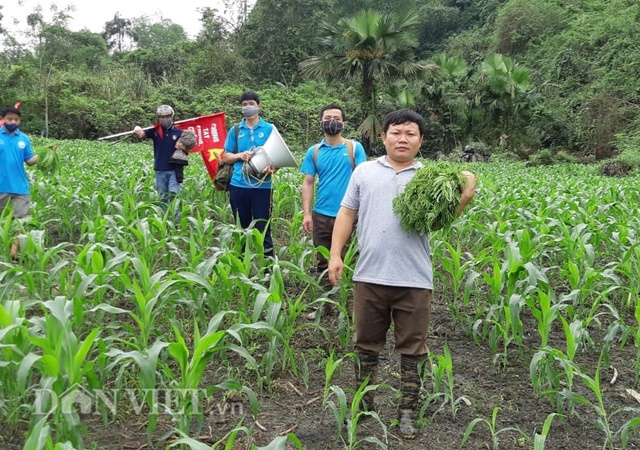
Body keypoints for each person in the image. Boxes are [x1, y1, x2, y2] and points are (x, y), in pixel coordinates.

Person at [328, 109, 476, 439]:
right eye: (396, 132)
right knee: (366, 345)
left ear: (421, 141)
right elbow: (347, 212)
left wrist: (466, 190)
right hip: (369, 276)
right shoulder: (365, 172)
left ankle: (407, 412)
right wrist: (336, 254)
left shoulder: (431, 177)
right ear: (383, 137)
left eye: (411, 133)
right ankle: (364, 408)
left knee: (413, 350)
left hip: (414, 279)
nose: (403, 138)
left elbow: (444, 217)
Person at [300, 104, 366, 319]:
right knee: (323, 261)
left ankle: (350, 308)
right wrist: (307, 213)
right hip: (322, 215)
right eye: (327, 117)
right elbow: (308, 182)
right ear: (321, 122)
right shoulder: (315, 151)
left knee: (350, 260)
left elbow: (364, 180)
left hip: (349, 215)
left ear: (343, 123)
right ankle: (324, 304)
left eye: (336, 118)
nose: (332, 121)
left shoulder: (354, 148)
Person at [222, 91, 277, 259]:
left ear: (259, 106)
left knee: (263, 227)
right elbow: (225, 156)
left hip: (263, 186)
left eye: (251, 103)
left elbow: (277, 157)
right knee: (241, 227)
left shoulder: (269, 129)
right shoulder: (236, 130)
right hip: (238, 185)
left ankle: (268, 270)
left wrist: (273, 168)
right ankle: (241, 267)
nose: (248, 107)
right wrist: (239, 156)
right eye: (244, 104)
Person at [0, 105, 38, 259]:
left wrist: (45, 154)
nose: (13, 122)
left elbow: (29, 161)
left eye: (16, 119)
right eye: (10, 119)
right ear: (3, 119)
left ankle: (13, 252)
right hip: (1, 186)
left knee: (20, 221)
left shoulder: (24, 139)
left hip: (20, 187)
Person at [133, 105, 183, 221]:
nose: (165, 119)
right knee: (163, 197)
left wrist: (183, 146)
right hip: (160, 170)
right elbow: (141, 135)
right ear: (158, 118)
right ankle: (165, 222)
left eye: (167, 116)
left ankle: (175, 223)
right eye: (162, 117)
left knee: (174, 195)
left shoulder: (179, 132)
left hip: (174, 170)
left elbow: (189, 147)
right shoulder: (155, 131)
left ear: (172, 116)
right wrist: (137, 129)